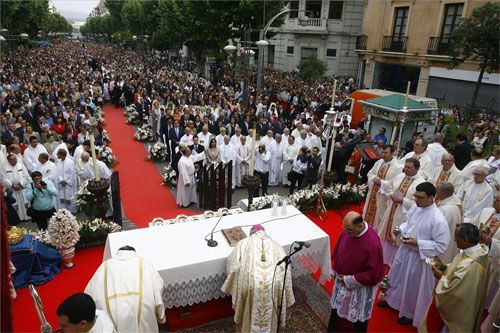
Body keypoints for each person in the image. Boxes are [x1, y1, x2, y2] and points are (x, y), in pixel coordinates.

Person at [378, 182, 450, 327]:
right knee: (398, 277)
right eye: (415, 196)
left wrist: (418, 243)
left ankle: (408, 313)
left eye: (420, 197)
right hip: (405, 251)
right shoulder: (417, 208)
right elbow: (408, 224)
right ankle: (391, 300)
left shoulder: (438, 219)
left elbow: (441, 245)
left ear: (431, 198)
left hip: (420, 258)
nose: (416, 200)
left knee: (412, 286)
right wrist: (401, 230)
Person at [221, 224, 294, 332]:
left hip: (250, 285)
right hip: (273, 285)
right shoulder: (277, 245)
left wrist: (233, 286)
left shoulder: (242, 243)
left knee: (248, 311)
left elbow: (233, 265)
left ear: (251, 234)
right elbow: (286, 271)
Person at [419, 224, 489, 333]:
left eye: (457, 238)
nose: (455, 240)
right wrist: (446, 268)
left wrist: (441, 277)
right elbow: (457, 268)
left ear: (465, 240)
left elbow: (455, 292)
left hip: (457, 311)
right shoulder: (474, 251)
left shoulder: (470, 264)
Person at [85, 246, 166, 333]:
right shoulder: (144, 263)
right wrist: (160, 316)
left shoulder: (104, 266)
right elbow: (158, 288)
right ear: (134, 252)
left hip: (109, 314)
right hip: (142, 313)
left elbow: (88, 293)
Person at [328, 212, 384, 332]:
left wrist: (350, 279)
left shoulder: (372, 242)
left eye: (348, 229)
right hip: (341, 281)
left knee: (356, 319)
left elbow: (374, 274)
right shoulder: (349, 232)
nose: (345, 232)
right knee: (336, 312)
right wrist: (335, 268)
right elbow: (340, 249)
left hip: (357, 288)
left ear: (360, 225)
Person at [377, 158, 426, 266]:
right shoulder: (400, 176)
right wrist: (391, 195)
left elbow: (420, 203)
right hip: (392, 209)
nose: (406, 169)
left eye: (409, 167)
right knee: (386, 232)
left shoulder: (421, 182)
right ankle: (384, 258)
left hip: (404, 214)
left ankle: (394, 262)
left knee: (398, 237)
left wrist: (403, 200)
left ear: (417, 168)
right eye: (405, 166)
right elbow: (389, 186)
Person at [363, 144, 401, 228]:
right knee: (368, 214)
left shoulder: (397, 167)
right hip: (373, 193)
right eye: (382, 152)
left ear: (392, 153)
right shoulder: (379, 162)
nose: (383, 155)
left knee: (379, 217)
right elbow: (370, 173)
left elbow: (395, 184)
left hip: (384, 196)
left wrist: (382, 182)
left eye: (386, 153)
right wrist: (374, 178)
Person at [435, 182, 463, 263]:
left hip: (443, 245)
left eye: (437, 191)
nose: (435, 193)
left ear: (443, 194)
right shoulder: (454, 202)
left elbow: (439, 230)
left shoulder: (447, 210)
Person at [3, 154, 30, 220]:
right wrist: (12, 185)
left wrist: (21, 184)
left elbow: (26, 176)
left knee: (25, 202)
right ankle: (18, 218)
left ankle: (27, 217)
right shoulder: (5, 168)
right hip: (13, 189)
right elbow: (4, 179)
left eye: (15, 159)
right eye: (12, 159)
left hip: (21, 188)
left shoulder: (21, 165)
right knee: (15, 204)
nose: (15, 160)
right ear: (8, 160)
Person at [53, 149, 78, 213]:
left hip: (68, 184)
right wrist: (61, 180)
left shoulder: (70, 162)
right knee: (62, 197)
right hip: (61, 183)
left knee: (69, 197)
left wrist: (66, 181)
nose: (57, 156)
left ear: (62, 155)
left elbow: (72, 173)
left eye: (58, 154)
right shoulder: (58, 162)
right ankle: (63, 210)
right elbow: (56, 172)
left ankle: (71, 210)